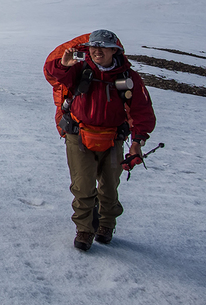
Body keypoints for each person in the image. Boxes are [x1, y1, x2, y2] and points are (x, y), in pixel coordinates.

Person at [44, 29, 157, 251]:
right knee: (83, 186)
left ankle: (106, 224)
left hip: (113, 137)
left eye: (103, 47)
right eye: (93, 47)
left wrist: (137, 141)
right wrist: (64, 64)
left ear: (115, 50)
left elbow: (141, 110)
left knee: (109, 188)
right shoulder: (79, 69)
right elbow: (53, 74)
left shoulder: (127, 77)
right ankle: (85, 229)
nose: (97, 51)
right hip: (78, 135)